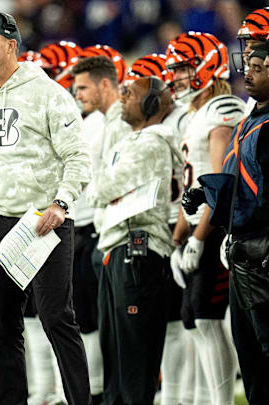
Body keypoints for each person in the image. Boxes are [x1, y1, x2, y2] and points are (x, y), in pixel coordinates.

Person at [0, 13, 91, 405]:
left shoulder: (48, 93)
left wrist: (61, 203)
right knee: (0, 325)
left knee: (56, 318)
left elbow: (78, 156)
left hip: (43, 221)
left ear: (11, 45)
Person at [183, 41, 269, 405]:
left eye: (259, 67)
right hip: (241, 250)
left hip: (262, 251)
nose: (247, 73)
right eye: (247, 65)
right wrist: (208, 195)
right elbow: (240, 180)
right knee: (250, 357)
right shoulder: (251, 117)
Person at [87, 76, 182, 405]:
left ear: (152, 104)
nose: (123, 97)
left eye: (131, 93)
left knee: (133, 362)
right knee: (115, 355)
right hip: (120, 248)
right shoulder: (133, 141)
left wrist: (102, 184)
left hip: (138, 252)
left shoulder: (151, 143)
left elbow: (100, 189)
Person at [166, 32, 244, 405]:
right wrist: (179, 238)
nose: (177, 77)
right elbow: (191, 184)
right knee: (193, 317)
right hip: (199, 225)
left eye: (183, 68)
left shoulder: (223, 108)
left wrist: (199, 236)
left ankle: (222, 401)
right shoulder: (195, 115)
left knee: (208, 316)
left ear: (206, 66)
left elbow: (219, 181)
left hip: (217, 226)